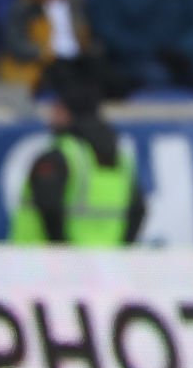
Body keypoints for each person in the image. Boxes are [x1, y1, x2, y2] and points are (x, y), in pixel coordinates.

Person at [10, 65, 145, 245]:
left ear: (67, 113)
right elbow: (138, 210)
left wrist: (63, 252)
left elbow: (49, 207)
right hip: (103, 266)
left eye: (57, 107)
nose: (51, 114)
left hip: (39, 265)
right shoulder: (121, 158)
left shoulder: (61, 156)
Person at [0, 0, 94, 91]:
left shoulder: (78, 2)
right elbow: (15, 42)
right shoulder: (26, 6)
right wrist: (41, 53)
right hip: (44, 64)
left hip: (77, 61)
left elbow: (89, 36)